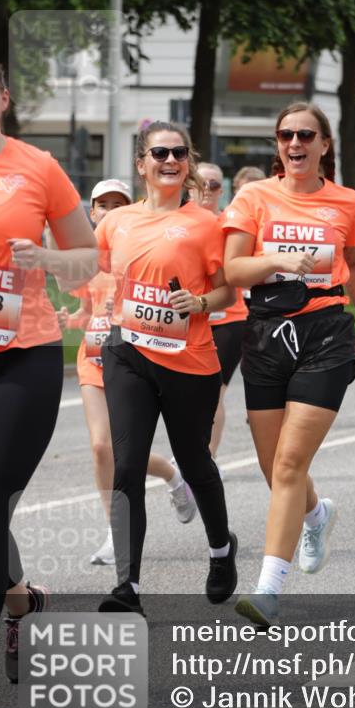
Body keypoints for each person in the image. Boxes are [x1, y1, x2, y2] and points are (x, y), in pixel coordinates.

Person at [223, 101, 355, 626]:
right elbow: (234, 269)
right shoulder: (254, 196)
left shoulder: (346, 202)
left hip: (326, 333)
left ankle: (268, 589)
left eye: (306, 136)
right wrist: (277, 260)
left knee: (289, 463)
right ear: (277, 144)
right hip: (266, 332)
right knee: (274, 469)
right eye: (286, 135)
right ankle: (316, 515)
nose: (296, 144)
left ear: (324, 144)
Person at [0, 55, 97, 708]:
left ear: (4, 97)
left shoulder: (35, 167)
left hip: (19, 354)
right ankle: (21, 598)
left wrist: (48, 257)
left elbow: (86, 263)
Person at [95, 121, 237, 615]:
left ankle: (221, 551)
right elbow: (98, 279)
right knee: (128, 466)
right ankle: (127, 589)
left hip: (189, 360)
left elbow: (228, 292)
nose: (170, 160)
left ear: (188, 162)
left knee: (194, 460)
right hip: (127, 354)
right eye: (160, 152)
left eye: (179, 153)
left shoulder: (206, 223)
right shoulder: (115, 223)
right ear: (142, 164)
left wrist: (198, 301)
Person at [58, 179, 197, 568]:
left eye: (117, 203)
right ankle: (114, 532)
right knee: (101, 448)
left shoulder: (138, 250)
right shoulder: (88, 258)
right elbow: (87, 308)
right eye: (102, 205)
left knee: (124, 452)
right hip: (93, 358)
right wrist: (71, 320)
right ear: (92, 212)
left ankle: (171, 475)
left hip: (131, 362)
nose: (109, 210)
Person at [196, 163, 266, 461]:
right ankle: (195, 452)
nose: (207, 190)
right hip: (193, 318)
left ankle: (207, 457)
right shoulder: (180, 223)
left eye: (213, 185)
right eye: (201, 184)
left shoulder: (230, 222)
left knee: (215, 392)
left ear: (222, 190)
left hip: (230, 318)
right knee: (193, 393)